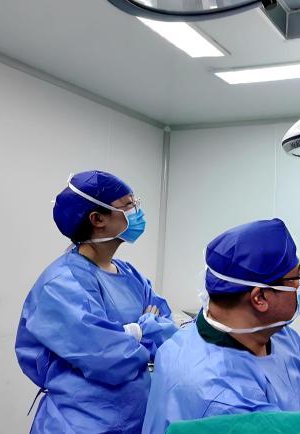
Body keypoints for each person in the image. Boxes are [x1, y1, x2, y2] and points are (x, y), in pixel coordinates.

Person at [142, 218, 300, 433]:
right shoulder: (220, 399)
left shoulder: (280, 337)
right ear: (260, 298)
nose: (299, 287)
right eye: (295, 279)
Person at [15, 170, 178, 434]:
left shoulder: (131, 275)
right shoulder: (60, 283)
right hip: (79, 423)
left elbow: (168, 333)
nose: (137, 212)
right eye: (128, 205)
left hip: (135, 419)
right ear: (97, 219)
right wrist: (145, 328)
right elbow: (109, 358)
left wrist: (133, 332)